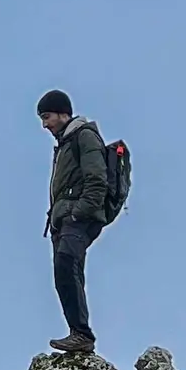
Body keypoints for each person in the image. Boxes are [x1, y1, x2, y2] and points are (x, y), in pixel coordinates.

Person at [38, 89, 108, 355]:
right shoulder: (66, 142)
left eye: (47, 117)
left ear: (63, 113)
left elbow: (97, 180)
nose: (45, 125)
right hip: (65, 220)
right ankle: (78, 334)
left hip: (78, 219)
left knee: (67, 266)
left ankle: (82, 335)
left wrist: (78, 213)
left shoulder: (83, 136)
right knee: (64, 273)